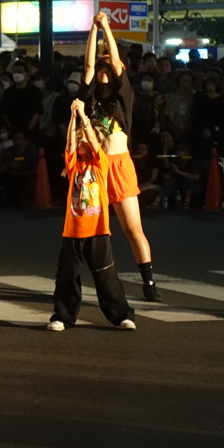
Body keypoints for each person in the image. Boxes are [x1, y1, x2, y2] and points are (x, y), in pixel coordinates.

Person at [82, 12, 161, 302]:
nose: (104, 67)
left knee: (132, 228)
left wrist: (106, 27)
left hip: (119, 164)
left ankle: (149, 283)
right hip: (94, 168)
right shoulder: (89, 96)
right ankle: (97, 283)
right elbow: (89, 63)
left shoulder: (122, 96)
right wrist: (92, 29)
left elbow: (115, 60)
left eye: (108, 66)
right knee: (92, 231)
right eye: (101, 65)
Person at [47, 99, 136, 331]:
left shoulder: (100, 163)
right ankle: (62, 317)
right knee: (68, 275)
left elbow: (95, 145)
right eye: (80, 139)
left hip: (98, 230)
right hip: (74, 231)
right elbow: (68, 144)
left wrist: (84, 117)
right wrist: (72, 117)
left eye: (85, 139)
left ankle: (121, 315)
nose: (82, 141)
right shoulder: (74, 165)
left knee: (106, 275)